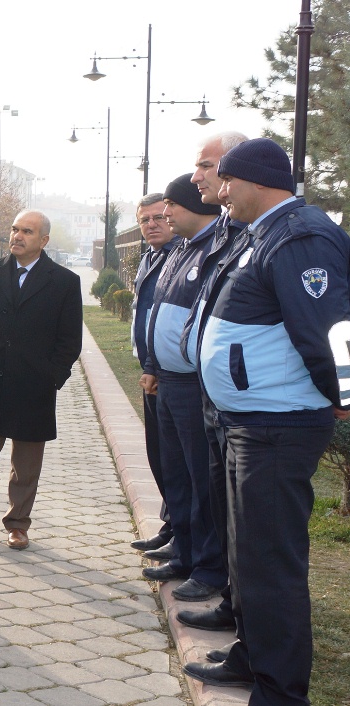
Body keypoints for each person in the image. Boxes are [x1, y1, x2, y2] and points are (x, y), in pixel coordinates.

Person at [182, 139, 350, 705]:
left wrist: (344, 399)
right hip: (249, 421)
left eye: (226, 180)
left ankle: (280, 692)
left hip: (280, 427)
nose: (220, 192)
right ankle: (251, 657)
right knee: (244, 555)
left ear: (256, 180)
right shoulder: (267, 232)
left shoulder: (302, 236)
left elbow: (326, 333)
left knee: (271, 564)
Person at [0, 210, 82, 550]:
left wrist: (52, 376)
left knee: (25, 468)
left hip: (34, 387)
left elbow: (69, 340)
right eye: (14, 229)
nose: (17, 236)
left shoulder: (64, 282)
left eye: (27, 231)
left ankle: (18, 524)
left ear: (44, 240)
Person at [140, 175, 226, 604]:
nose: (165, 214)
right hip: (170, 379)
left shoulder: (216, 247)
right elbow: (159, 315)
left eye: (171, 205)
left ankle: (208, 566)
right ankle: (184, 550)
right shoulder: (181, 251)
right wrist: (154, 365)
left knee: (200, 479)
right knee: (176, 472)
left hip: (195, 384)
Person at [176, 131, 248, 636]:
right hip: (215, 396)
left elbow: (316, 329)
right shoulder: (230, 230)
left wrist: (337, 397)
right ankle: (229, 598)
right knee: (220, 507)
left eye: (205, 165)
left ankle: (267, 665)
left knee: (257, 538)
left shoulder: (284, 236)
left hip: (261, 413)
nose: (198, 175)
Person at [129, 193, 177, 557]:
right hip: (152, 372)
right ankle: (171, 524)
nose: (151, 225)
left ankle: (182, 534)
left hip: (170, 374)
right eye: (145, 220)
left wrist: (155, 367)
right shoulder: (149, 258)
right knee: (159, 455)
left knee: (176, 460)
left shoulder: (181, 255)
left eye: (159, 217)